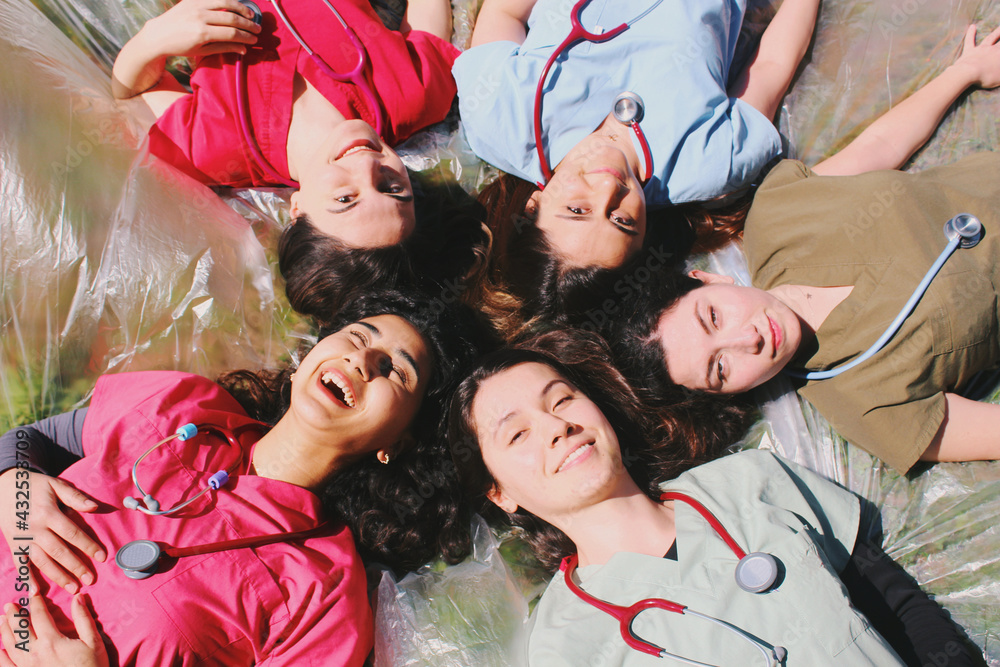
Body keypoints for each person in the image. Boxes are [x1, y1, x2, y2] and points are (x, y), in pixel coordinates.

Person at [0, 290, 481, 666]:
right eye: (358, 337)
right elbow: (31, 441)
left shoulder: (325, 598)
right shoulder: (181, 404)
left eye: (395, 371)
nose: (362, 360)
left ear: (395, 445)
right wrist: (12, 482)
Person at [446, 332, 979, 665]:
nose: (557, 427)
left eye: (562, 399)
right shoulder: (564, 648)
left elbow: (900, 606)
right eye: (517, 435)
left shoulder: (749, 482)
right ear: (500, 493)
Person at [619, 24, 1000, 474]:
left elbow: (880, 147)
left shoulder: (777, 216)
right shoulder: (867, 405)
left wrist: (965, 72)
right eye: (719, 369)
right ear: (725, 396)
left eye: (714, 317)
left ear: (709, 278)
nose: (748, 339)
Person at [455, 0, 819, 331]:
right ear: (644, 239)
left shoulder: (496, 115)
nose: (608, 189)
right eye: (622, 220)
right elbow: (773, 63)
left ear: (533, 206)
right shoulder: (710, 164)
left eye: (577, 209)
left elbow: (506, 13)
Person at [112, 0, 458, 250]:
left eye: (345, 198)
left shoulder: (217, 151)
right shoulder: (416, 95)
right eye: (391, 187)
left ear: (297, 210)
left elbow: (129, 95)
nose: (368, 166)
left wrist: (154, 39)